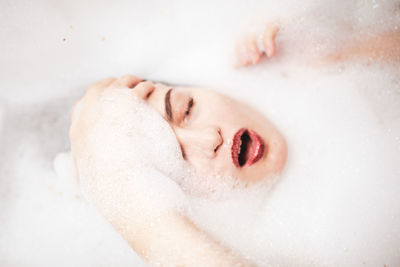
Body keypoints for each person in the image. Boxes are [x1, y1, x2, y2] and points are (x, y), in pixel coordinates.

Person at [69, 23, 399, 266]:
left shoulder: (324, 77)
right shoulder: (280, 248)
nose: (209, 138)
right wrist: (129, 208)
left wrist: (352, 47)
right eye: (178, 162)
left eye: (187, 107)